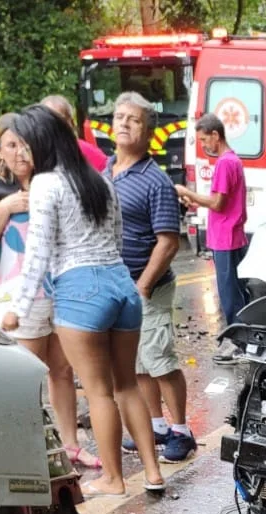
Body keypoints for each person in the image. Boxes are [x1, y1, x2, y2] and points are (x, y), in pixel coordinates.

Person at [0, 104, 165, 497]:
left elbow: (38, 253)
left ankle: (113, 478)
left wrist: (17, 310)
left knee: (97, 391)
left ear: (41, 142)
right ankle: (154, 472)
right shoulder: (99, 179)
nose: (22, 153)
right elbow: (119, 236)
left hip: (81, 291)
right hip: (121, 286)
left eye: (26, 145)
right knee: (127, 385)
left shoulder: (45, 185)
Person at [0, 113, 97, 471]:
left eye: (25, 145)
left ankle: (71, 446)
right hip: (16, 296)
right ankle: (31, 454)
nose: (19, 153)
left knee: (62, 371)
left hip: (59, 289)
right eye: (11, 145)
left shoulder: (52, 183)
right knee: (27, 376)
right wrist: (4, 208)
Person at [107, 91, 194, 464]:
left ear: (148, 132)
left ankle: (182, 430)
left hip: (150, 288)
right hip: (117, 286)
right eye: (120, 117)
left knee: (159, 358)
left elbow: (168, 243)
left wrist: (142, 286)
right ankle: (157, 425)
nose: (125, 123)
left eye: (134, 119)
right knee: (137, 362)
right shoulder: (105, 173)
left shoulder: (154, 180)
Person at [175, 113, 248, 365]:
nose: (204, 145)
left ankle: (239, 343)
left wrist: (188, 193)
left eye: (205, 140)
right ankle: (241, 338)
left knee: (230, 294)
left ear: (216, 135)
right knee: (237, 290)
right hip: (231, 234)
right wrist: (194, 199)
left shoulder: (226, 163)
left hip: (226, 237)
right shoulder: (231, 161)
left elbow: (218, 203)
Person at [42, 95, 108, 171]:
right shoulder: (34, 156)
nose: (55, 127)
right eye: (49, 121)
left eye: (60, 121)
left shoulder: (88, 152)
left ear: (71, 123)